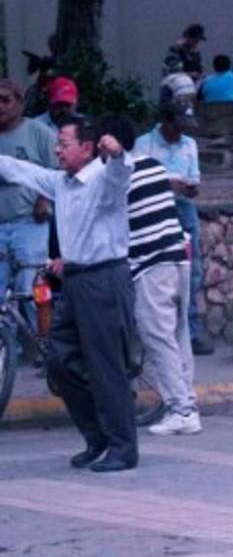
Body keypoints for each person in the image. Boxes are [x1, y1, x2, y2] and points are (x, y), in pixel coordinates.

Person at [0, 115, 139, 472]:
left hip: (104, 279)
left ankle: (123, 447)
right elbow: (19, 170)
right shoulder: (61, 183)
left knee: (106, 367)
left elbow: (122, 174)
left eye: (63, 143)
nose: (57, 150)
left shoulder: (104, 179)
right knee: (60, 361)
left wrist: (118, 153)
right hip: (75, 282)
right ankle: (97, 438)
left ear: (87, 148)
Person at [102, 114, 200, 436]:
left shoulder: (117, 175)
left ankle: (181, 410)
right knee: (178, 333)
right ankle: (189, 402)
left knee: (157, 336)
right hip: (177, 258)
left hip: (151, 264)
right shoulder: (154, 165)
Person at [135, 98, 211, 355]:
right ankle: (160, 333)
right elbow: (136, 183)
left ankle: (190, 332)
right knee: (156, 270)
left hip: (183, 209)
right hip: (153, 211)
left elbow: (194, 182)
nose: (182, 131)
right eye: (178, 125)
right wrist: (166, 184)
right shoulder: (144, 145)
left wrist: (188, 189)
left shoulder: (189, 145)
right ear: (166, 120)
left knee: (192, 270)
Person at [0, 79, 57, 342]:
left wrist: (44, 200)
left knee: (33, 288)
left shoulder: (38, 132)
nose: (0, 106)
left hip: (29, 224)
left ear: (20, 104)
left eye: (6, 100)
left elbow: (58, 170)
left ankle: (43, 345)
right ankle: (7, 352)